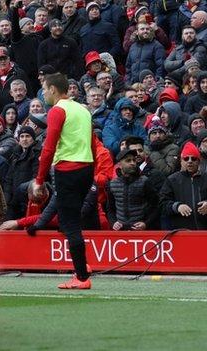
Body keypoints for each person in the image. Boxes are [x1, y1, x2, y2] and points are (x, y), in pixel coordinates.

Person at [29, 73, 94, 289]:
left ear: (54, 90)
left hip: (68, 169)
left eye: (45, 90)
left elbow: (49, 147)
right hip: (86, 167)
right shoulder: (83, 110)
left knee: (69, 224)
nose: (44, 94)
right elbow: (92, 142)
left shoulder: (58, 110)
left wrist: (39, 179)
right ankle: (82, 265)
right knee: (73, 220)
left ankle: (82, 278)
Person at [159, 142, 207, 230]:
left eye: (193, 158)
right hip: (181, 233)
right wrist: (177, 207)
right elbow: (162, 203)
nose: (190, 161)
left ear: (199, 161)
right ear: (181, 161)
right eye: (186, 158)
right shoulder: (171, 180)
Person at [107, 149, 160, 231]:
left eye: (134, 160)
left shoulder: (145, 181)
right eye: (128, 160)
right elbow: (110, 208)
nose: (133, 163)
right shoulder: (112, 184)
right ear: (119, 165)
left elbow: (156, 206)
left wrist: (146, 223)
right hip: (121, 232)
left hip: (142, 231)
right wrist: (113, 222)